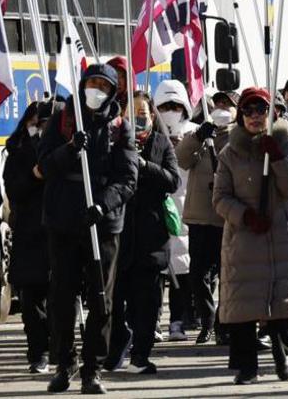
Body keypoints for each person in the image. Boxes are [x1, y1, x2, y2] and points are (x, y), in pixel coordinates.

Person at [40, 63, 140, 394]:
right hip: (63, 219)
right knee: (62, 296)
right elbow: (42, 166)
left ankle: (92, 366)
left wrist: (102, 205)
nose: (96, 90)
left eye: (103, 85)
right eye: (91, 83)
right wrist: (70, 150)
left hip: (102, 222)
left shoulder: (119, 125)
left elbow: (127, 177)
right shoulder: (63, 119)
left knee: (101, 298)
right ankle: (63, 362)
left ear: (112, 91)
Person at [214, 87, 288, 385]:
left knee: (280, 303)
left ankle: (283, 356)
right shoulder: (229, 154)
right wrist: (244, 215)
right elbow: (220, 199)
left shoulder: (285, 145)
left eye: (262, 111)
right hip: (244, 238)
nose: (256, 117)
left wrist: (278, 157)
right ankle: (247, 367)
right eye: (249, 111)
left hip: (279, 235)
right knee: (244, 306)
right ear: (241, 116)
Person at [106, 90, 181, 375]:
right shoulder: (114, 143)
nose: (137, 119)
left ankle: (141, 353)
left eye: (143, 114)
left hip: (151, 238)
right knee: (115, 299)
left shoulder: (161, 143)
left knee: (147, 303)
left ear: (151, 116)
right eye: (131, 113)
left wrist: (145, 166)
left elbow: (172, 180)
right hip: (120, 235)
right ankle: (116, 347)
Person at [4, 100, 58, 374]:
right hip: (29, 233)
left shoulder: (63, 148)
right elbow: (13, 190)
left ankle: (58, 346)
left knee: (59, 297)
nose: (39, 129)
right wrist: (35, 174)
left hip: (59, 231)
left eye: (44, 124)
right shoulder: (18, 152)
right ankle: (37, 351)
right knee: (31, 300)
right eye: (36, 123)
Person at [177, 90, 235, 346]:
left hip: (227, 218)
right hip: (200, 217)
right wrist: (199, 137)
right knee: (198, 274)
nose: (221, 108)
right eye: (218, 103)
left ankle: (224, 323)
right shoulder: (199, 134)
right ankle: (207, 319)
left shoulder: (239, 137)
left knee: (227, 274)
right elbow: (181, 159)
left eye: (228, 105)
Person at [152, 81, 195, 343]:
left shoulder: (196, 133)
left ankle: (177, 322)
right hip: (157, 210)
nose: (170, 111)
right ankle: (153, 321)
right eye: (165, 106)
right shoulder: (149, 135)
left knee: (182, 270)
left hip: (186, 211)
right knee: (155, 271)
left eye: (175, 106)